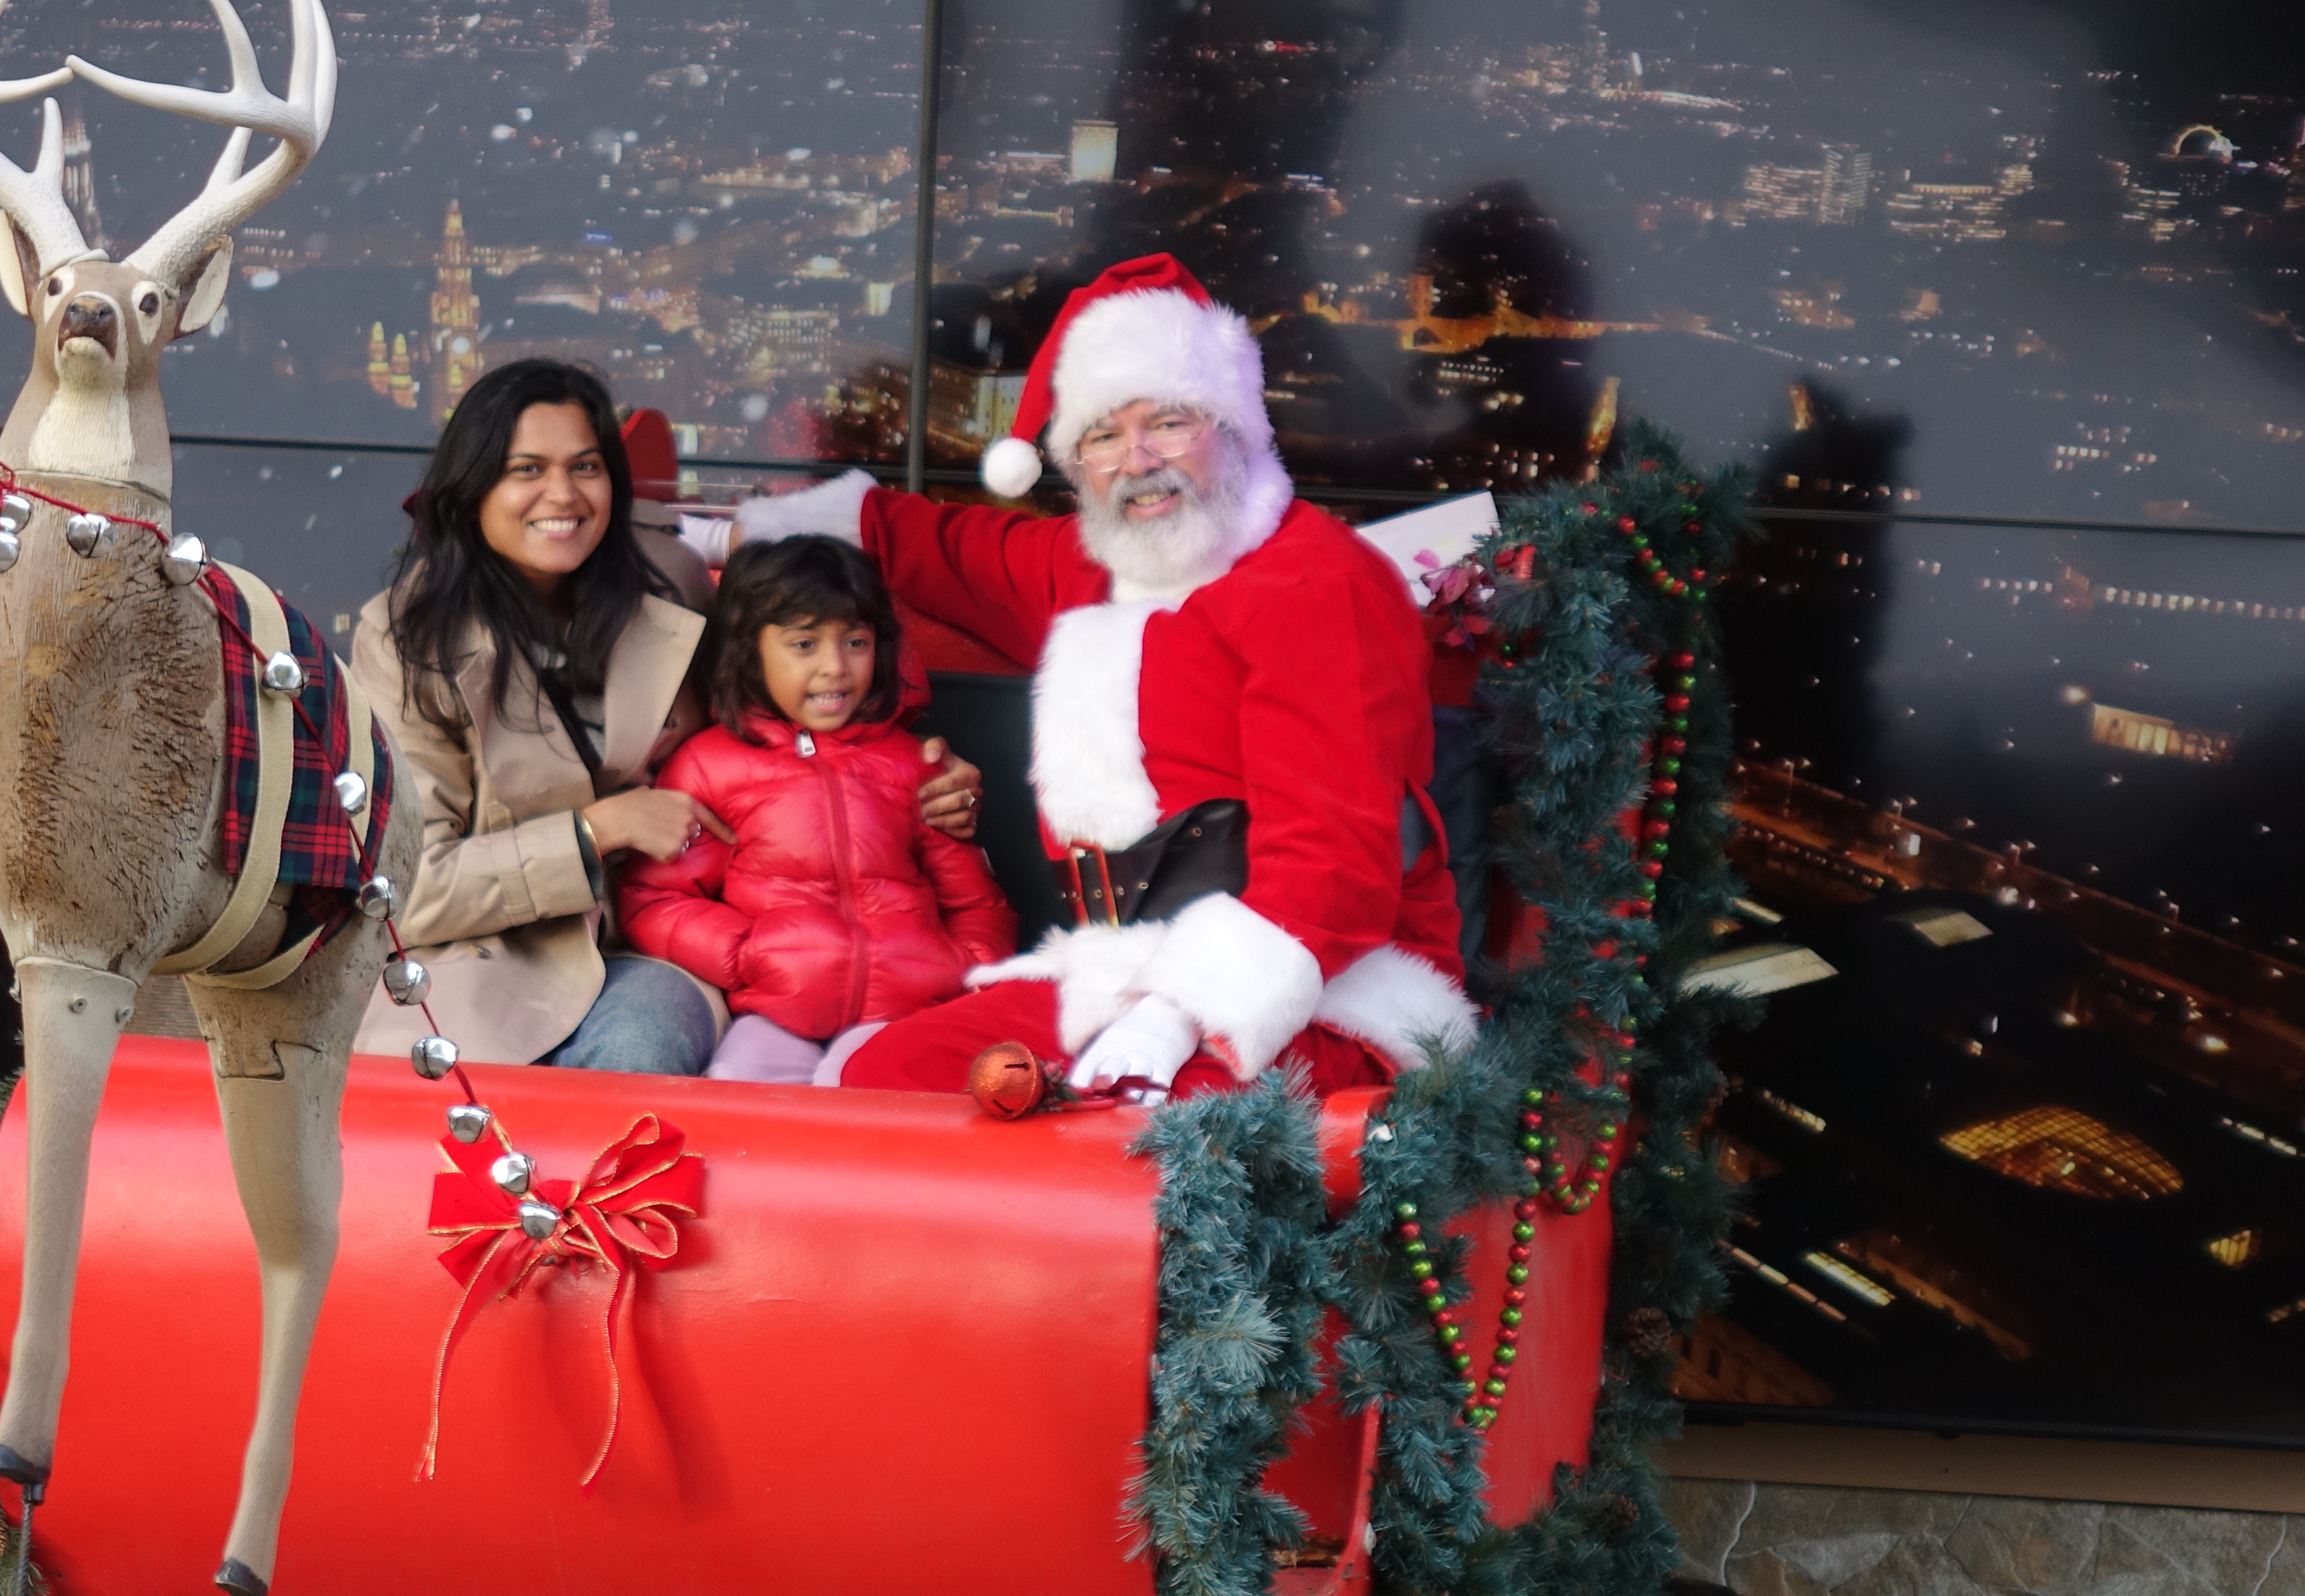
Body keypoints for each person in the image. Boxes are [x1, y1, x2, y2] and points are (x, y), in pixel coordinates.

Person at [735, 255, 1475, 1102]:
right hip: (1123, 971)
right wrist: (718, 541)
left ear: (1234, 425)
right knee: (890, 1079)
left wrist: (1178, 1014)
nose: (1137, 459)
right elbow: (933, 544)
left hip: (1322, 989)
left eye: (1169, 422)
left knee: (1122, 1134)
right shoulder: (1086, 565)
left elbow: (1330, 869)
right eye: (1103, 435)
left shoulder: (1321, 585)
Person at [350, 359, 984, 1072]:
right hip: (484, 950)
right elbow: (407, 886)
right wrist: (598, 830)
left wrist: (923, 773)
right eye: (527, 469)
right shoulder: (408, 638)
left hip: (657, 938)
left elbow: (788, 708)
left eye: (585, 467)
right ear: (474, 487)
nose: (563, 494)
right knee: (448, 1088)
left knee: (639, 1055)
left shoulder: (667, 582)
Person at [616, 539, 1022, 1084]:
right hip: (776, 1011)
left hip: (904, 1010)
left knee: (864, 1086)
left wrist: (962, 964)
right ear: (750, 651)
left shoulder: (917, 765)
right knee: (740, 1089)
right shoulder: (709, 765)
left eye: (855, 642)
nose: (835, 667)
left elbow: (977, 902)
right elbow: (655, 897)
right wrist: (746, 954)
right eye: (804, 644)